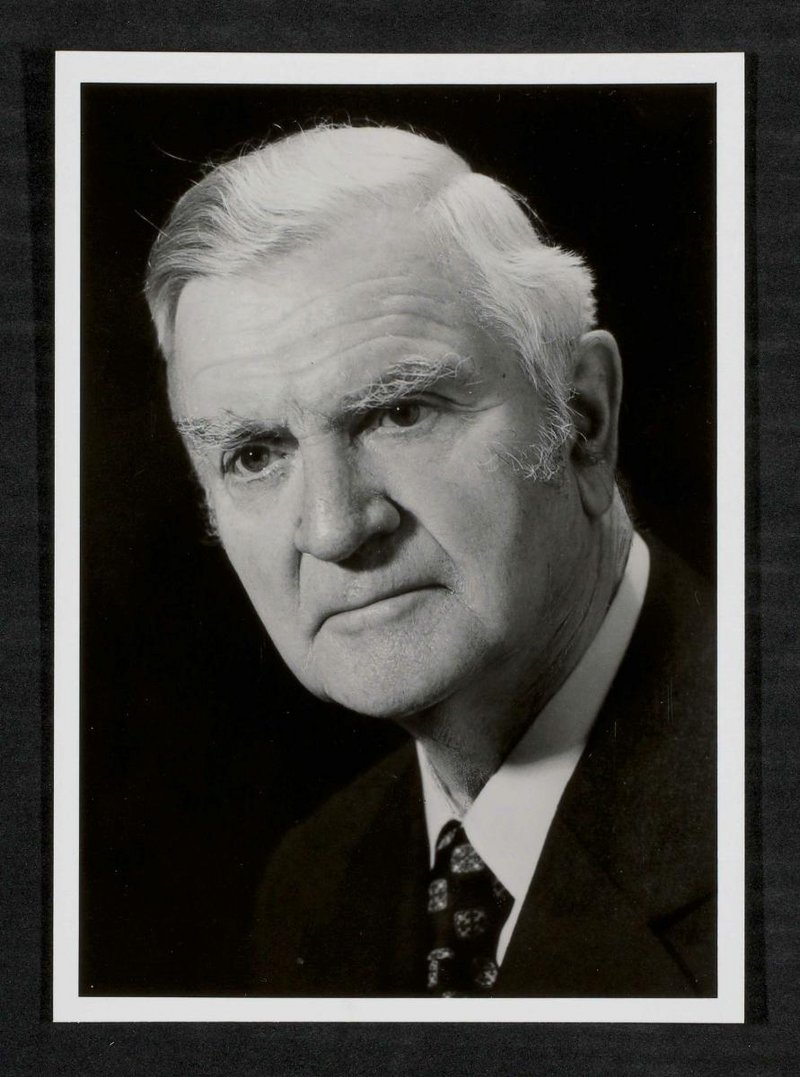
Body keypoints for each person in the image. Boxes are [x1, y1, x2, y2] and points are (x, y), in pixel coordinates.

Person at [144, 123, 716, 997]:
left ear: (583, 421)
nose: (334, 528)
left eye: (399, 412)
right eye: (255, 455)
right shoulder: (312, 885)